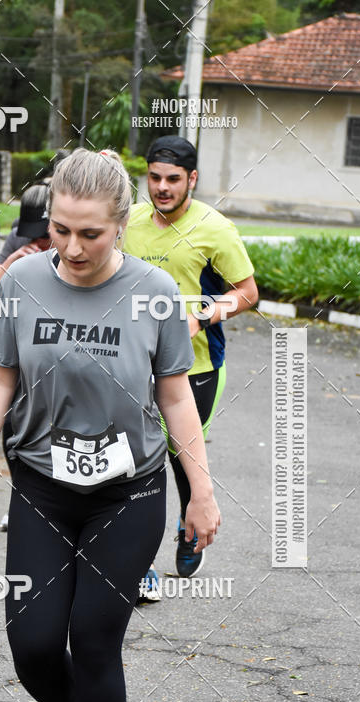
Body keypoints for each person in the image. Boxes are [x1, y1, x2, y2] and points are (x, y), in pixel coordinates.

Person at [0, 148, 220, 702]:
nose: (71, 248)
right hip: (42, 485)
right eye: (60, 231)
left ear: (121, 227)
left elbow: (174, 395)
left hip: (128, 490)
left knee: (95, 635)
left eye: (90, 234)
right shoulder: (21, 284)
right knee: (34, 642)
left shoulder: (157, 292)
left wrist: (201, 488)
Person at [124, 135, 258, 578]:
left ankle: (189, 524)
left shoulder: (215, 228)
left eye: (173, 180)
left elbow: (247, 294)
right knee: (135, 463)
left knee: (182, 456)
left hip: (196, 366)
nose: (162, 187)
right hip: (132, 363)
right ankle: (138, 561)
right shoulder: (131, 222)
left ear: (192, 179)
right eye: (155, 177)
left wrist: (205, 313)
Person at [0, 183, 52, 531]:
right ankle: (23, 498)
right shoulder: (19, 241)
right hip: (23, 354)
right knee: (13, 430)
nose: (39, 242)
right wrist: (13, 260)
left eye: (45, 235)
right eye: (33, 235)